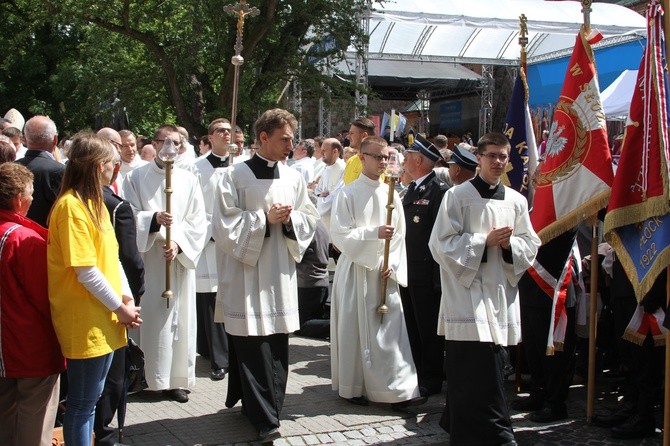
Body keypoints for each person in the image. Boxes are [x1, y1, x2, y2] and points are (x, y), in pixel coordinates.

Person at [212, 108, 319, 444]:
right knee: (252, 345)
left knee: (276, 344)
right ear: (263, 138)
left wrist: (289, 222)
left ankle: (268, 409)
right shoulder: (233, 177)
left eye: (292, 138)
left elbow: (309, 217)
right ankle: (264, 418)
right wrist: (263, 219)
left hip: (279, 275)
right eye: (284, 138)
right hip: (246, 274)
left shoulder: (293, 177)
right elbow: (224, 225)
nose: (291, 144)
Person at [428, 132, 540, 445]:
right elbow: (439, 244)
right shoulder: (458, 196)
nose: (497, 162)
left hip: (500, 295)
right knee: (471, 367)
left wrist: (509, 247)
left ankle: (463, 425)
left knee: (494, 362)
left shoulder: (517, 201)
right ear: (479, 158)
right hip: (466, 296)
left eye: (503, 156)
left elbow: (531, 244)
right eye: (491, 155)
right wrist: (482, 242)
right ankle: (492, 436)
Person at [47, 133, 142, 446]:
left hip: (104, 316)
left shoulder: (94, 203)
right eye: (113, 163)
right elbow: (85, 270)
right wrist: (121, 307)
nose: (116, 168)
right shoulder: (72, 207)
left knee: (92, 399)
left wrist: (125, 297)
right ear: (100, 166)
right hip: (85, 317)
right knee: (83, 403)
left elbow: (111, 260)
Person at [330, 135, 422, 408]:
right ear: (362, 158)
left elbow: (400, 236)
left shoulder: (391, 193)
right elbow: (339, 235)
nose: (383, 162)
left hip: (384, 273)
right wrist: (374, 234)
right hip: (356, 271)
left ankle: (396, 391)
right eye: (377, 156)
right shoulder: (347, 193)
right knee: (354, 331)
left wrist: (391, 263)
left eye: (386, 157)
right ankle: (353, 387)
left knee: (390, 333)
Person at [123, 124, 207, 403]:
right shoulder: (135, 177)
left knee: (179, 320)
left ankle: (177, 380)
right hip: (150, 258)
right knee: (153, 319)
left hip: (178, 261)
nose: (170, 147)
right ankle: (147, 377)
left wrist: (178, 242)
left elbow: (198, 220)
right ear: (155, 144)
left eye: (176, 142)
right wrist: (153, 220)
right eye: (164, 141)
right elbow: (129, 215)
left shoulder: (189, 179)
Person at [0, 163, 65, 446]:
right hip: (30, 348)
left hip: (6, 347)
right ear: (18, 199)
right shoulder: (22, 239)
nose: (33, 200)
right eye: (31, 194)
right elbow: (46, 298)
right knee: (35, 424)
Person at [93, 134, 146, 446]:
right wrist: (134, 296)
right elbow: (129, 258)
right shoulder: (115, 207)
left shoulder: (69, 199)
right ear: (109, 169)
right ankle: (103, 431)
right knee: (112, 374)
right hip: (114, 300)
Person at [399, 134, 449, 397]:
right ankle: (417, 372)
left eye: (408, 156)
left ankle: (431, 376)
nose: (404, 160)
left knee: (428, 329)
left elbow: (439, 238)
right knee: (413, 326)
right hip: (408, 271)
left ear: (418, 160)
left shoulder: (439, 192)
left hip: (427, 274)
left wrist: (436, 278)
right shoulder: (412, 189)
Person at [192, 118, 233, 382]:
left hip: (232, 240)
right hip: (207, 240)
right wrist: (211, 229)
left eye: (230, 131)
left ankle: (227, 353)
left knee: (229, 297)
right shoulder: (195, 168)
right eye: (221, 131)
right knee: (208, 300)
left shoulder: (239, 167)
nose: (227, 135)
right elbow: (192, 206)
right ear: (210, 137)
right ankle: (215, 356)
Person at [16, 115, 65, 227]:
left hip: (14, 237)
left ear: (24, 139)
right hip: (47, 239)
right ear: (55, 139)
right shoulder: (60, 171)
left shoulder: (10, 168)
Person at [314, 137, 345, 231]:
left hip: (336, 221)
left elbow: (337, 196)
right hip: (324, 221)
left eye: (324, 151)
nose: (321, 153)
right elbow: (318, 190)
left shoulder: (343, 169)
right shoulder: (327, 167)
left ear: (335, 151)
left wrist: (318, 200)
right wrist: (320, 195)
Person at [343, 117, 376, 185]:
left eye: (352, 133)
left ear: (364, 135)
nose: (348, 137)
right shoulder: (351, 160)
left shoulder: (374, 163)